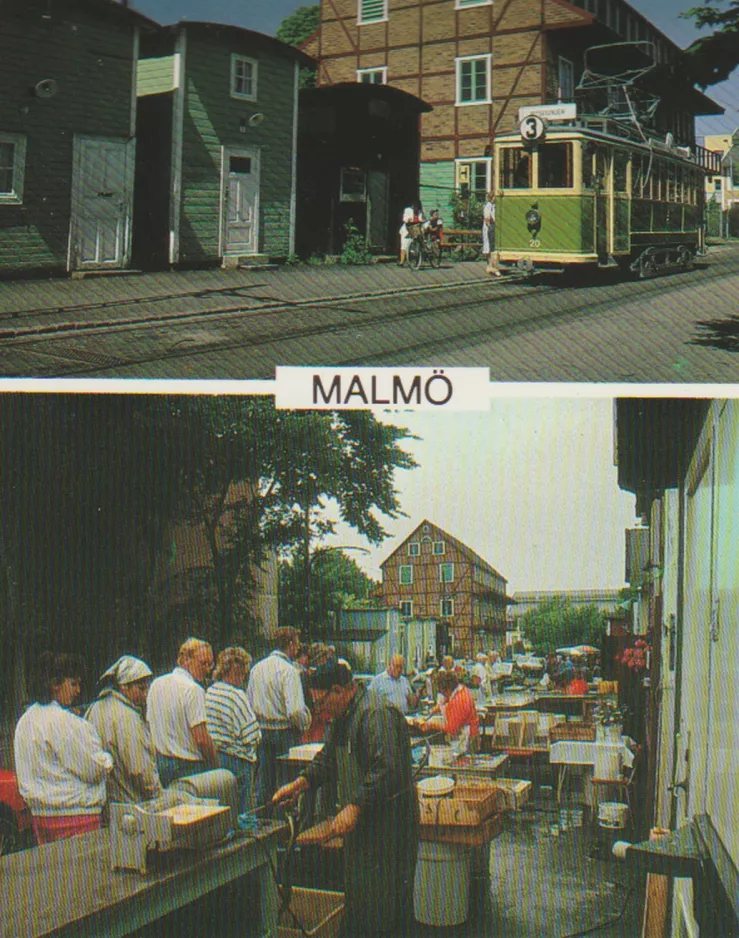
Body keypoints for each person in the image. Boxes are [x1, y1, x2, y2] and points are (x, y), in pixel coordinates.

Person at [273, 659, 419, 938]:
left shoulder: (376, 713)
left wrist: (355, 804)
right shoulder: (343, 716)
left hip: (391, 826)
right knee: (362, 900)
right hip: (366, 825)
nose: (320, 711)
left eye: (322, 702)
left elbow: (388, 767)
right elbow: (328, 758)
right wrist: (301, 782)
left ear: (340, 690)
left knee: (386, 905)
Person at [14, 651, 113, 844]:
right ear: (55, 685)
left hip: (41, 816)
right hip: (76, 815)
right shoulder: (65, 722)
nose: (78, 691)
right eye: (73, 684)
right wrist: (107, 759)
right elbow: (93, 769)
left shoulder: (25, 721)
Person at [246, 626, 311, 809]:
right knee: (287, 785)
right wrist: (305, 723)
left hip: (262, 731)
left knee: (263, 784)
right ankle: (284, 828)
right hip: (285, 732)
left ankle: (263, 824)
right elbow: (295, 710)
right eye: (296, 644)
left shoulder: (256, 669)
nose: (297, 648)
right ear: (290, 644)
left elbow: (249, 703)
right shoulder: (289, 671)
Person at [86, 654, 162, 806]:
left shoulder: (94, 708)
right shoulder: (127, 717)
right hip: (131, 803)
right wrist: (157, 795)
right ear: (124, 686)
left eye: (147, 688)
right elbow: (139, 768)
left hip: (105, 802)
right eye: (141, 688)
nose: (145, 694)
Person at [147, 638, 219, 787]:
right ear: (186, 660)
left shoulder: (156, 683)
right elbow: (201, 738)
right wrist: (215, 765)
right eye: (203, 663)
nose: (207, 669)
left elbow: (149, 725)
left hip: (162, 763)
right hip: (190, 766)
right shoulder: (193, 689)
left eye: (210, 664)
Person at [205, 646, 262, 816]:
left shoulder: (210, 691)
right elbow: (252, 735)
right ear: (237, 672)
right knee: (243, 811)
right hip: (238, 760)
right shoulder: (237, 696)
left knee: (223, 808)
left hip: (216, 757)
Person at [417, 669, 479, 757]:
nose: (443, 695)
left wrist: (431, 725)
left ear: (448, 689)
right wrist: (434, 711)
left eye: (443, 692)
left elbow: (451, 729)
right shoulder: (461, 689)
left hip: (467, 740)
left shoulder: (459, 700)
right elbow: (447, 699)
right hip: (470, 734)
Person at [482, 192, 500, 276]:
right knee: (490, 247)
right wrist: (490, 227)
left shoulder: (493, 205)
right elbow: (487, 218)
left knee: (492, 247)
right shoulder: (488, 205)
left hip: (493, 226)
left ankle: (492, 266)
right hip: (490, 227)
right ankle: (491, 266)